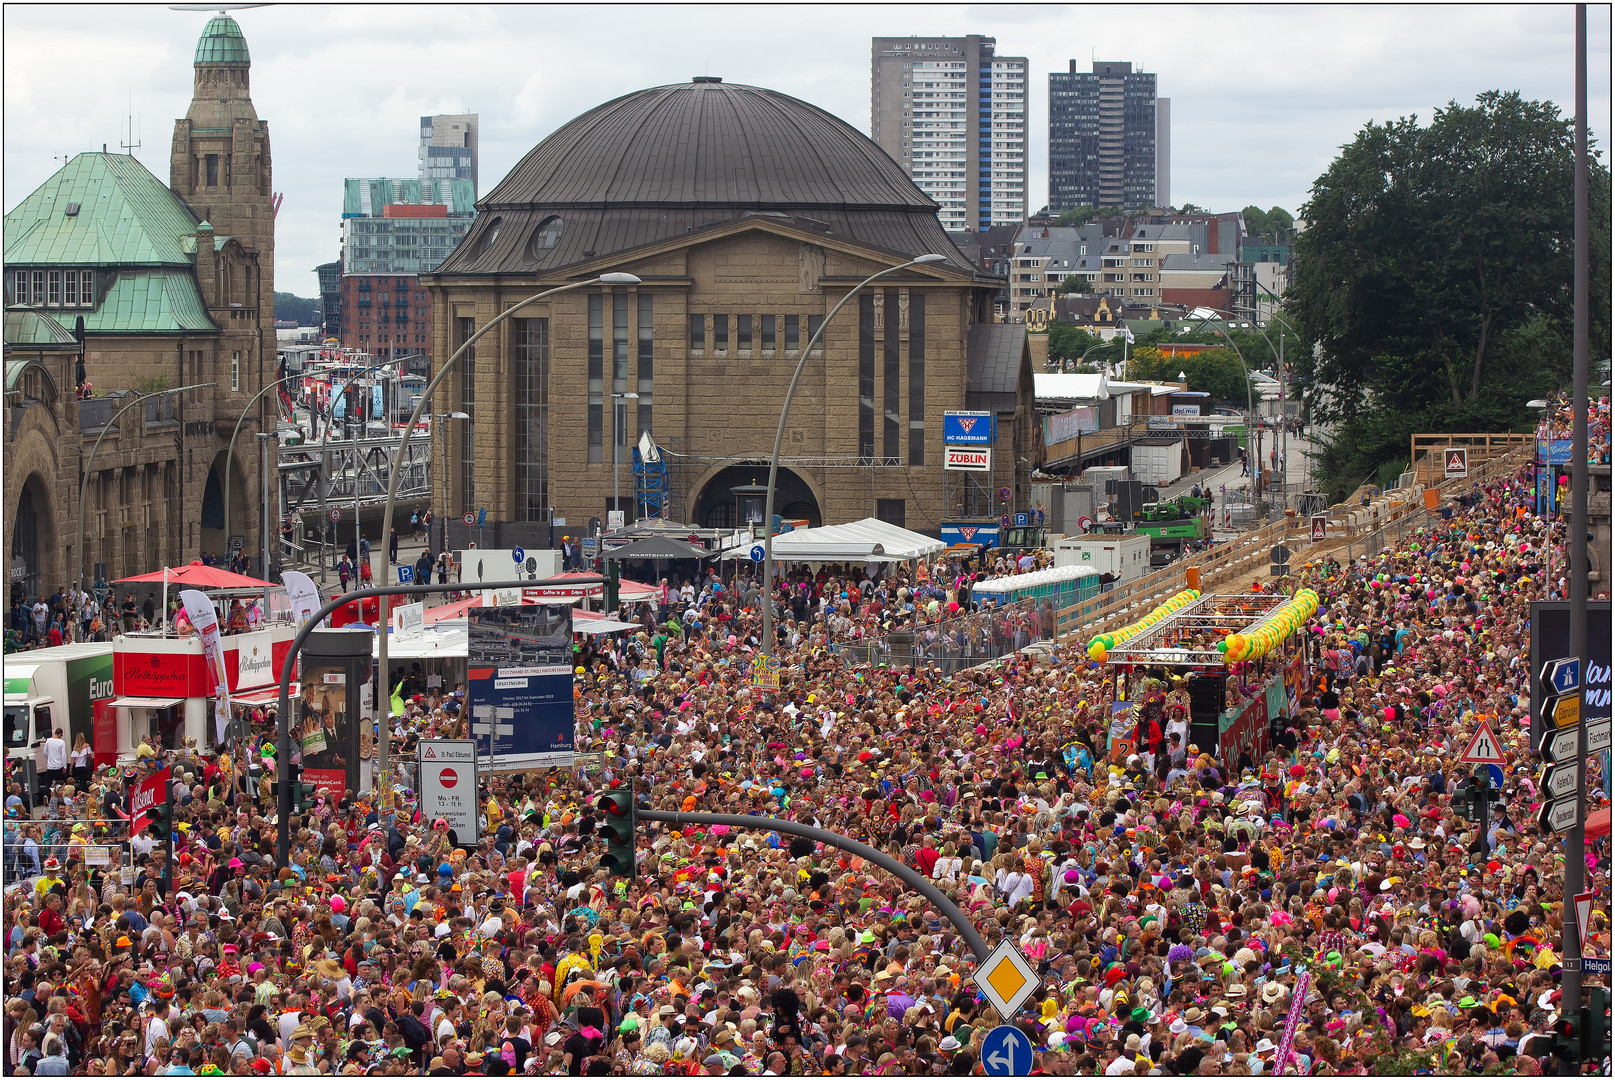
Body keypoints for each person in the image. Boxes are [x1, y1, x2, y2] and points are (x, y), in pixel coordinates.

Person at [40, 728, 68, 792]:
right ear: (60, 734)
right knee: (62, 783)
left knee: (48, 783)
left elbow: (45, 752)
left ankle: (47, 796)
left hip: (50, 766)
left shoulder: (48, 741)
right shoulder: (62, 742)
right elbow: (63, 755)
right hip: (59, 765)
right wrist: (64, 766)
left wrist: (49, 758)